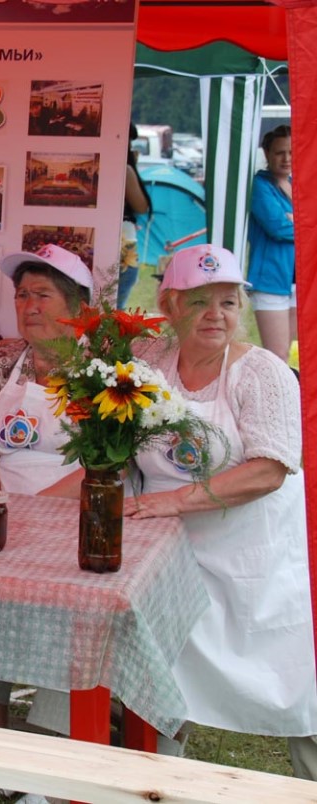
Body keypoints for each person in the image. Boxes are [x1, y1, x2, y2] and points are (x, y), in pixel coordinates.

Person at [127, 244, 317, 777]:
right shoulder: (146, 360)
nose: (216, 315)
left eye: (228, 302)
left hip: (255, 555)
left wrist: (172, 502)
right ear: (169, 306)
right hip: (168, 550)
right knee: (162, 671)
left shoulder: (262, 372)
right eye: (199, 301)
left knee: (293, 684)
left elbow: (269, 469)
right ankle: (154, 780)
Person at [0, 243, 92, 735]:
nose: (29, 306)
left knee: (73, 623)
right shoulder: (4, 361)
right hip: (1, 517)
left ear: (78, 308)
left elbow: (106, 466)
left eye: (43, 295)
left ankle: (49, 739)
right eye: (22, 295)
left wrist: (34, 514)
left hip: (74, 521)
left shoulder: (104, 367)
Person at [246, 124, 295, 362]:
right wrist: (302, 223)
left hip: (299, 281)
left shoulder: (298, 184)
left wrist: (294, 220)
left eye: (292, 152)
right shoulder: (259, 185)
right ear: (267, 153)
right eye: (280, 152)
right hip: (270, 281)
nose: (287, 158)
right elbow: (277, 227)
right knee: (278, 356)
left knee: (296, 353)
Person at [117, 123, 152, 310]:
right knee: (114, 311)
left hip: (118, 248)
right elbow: (141, 206)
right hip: (124, 248)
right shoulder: (124, 169)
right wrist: (133, 169)